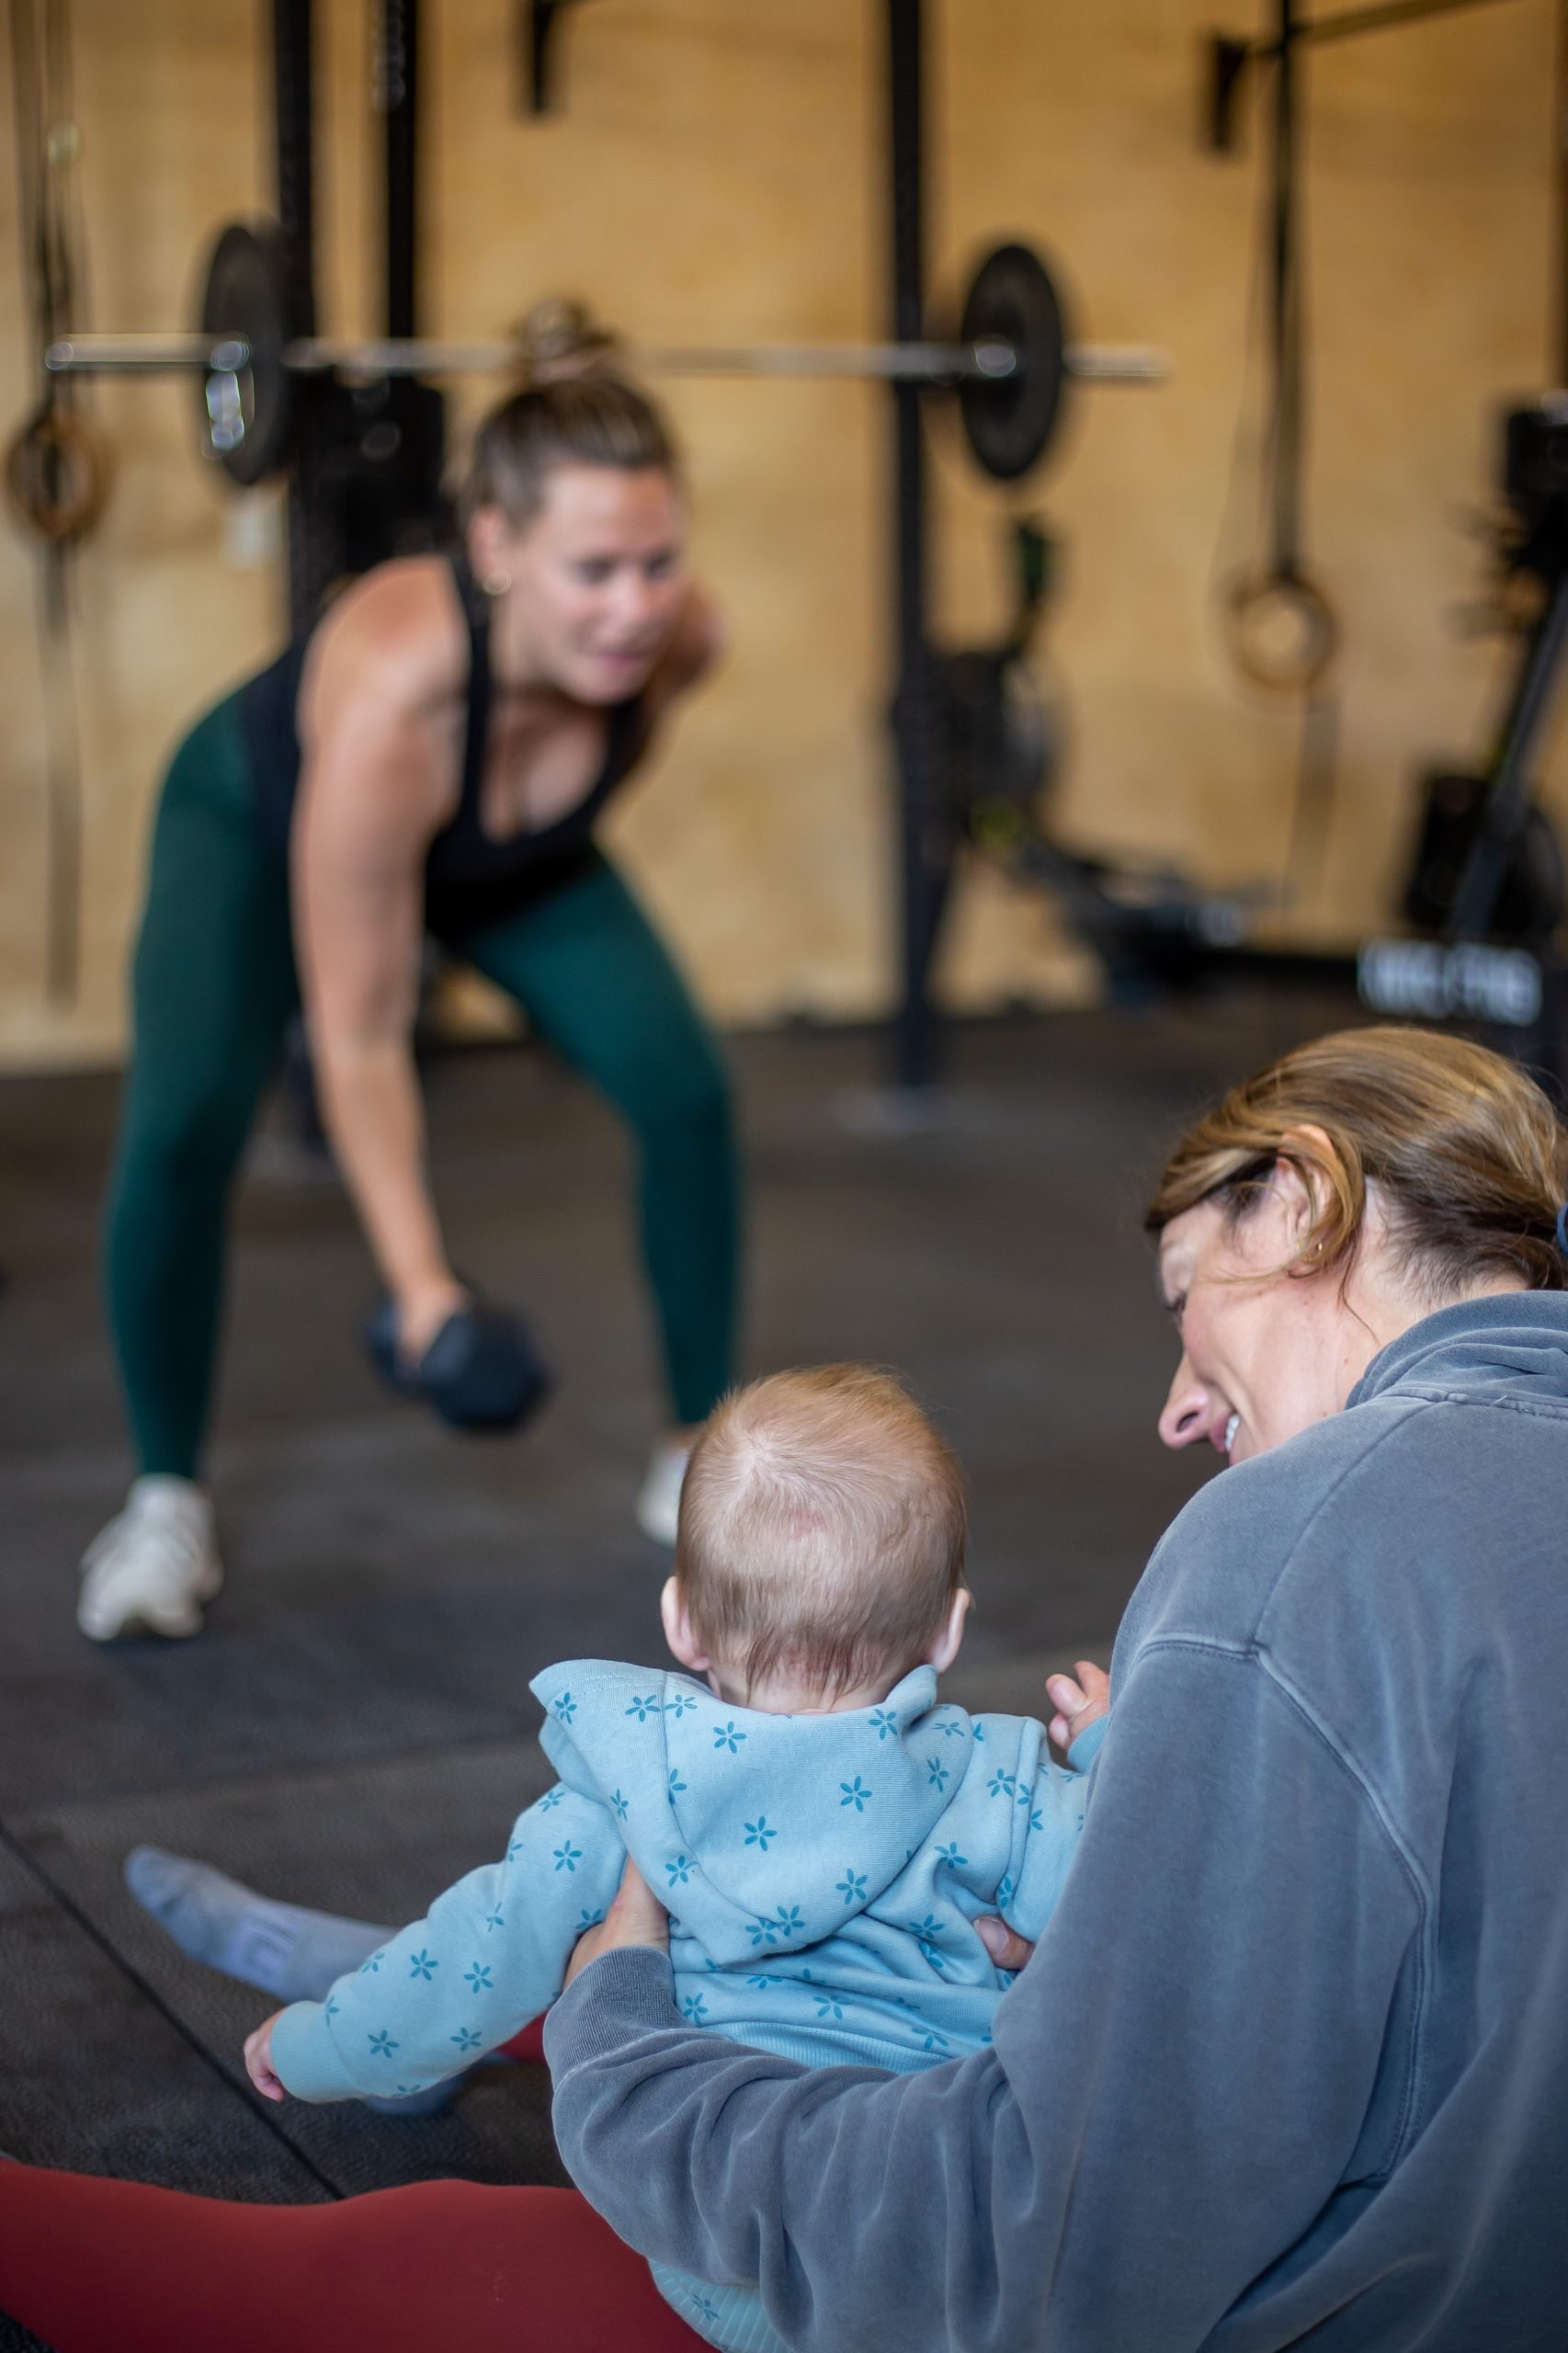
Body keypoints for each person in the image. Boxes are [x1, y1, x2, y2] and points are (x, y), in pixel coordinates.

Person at [4, 1023, 1565, 2352]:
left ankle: (418, 2038)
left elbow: (1050, 2252)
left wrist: (617, 2053)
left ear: (1293, 1195)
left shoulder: (1290, 1550)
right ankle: (450, 1999)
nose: (1171, 1411)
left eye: (1183, 1303)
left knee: (412, 2265)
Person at [127, 1365, 1108, 2353]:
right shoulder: (1004, 1780)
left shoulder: (621, 1801)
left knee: (541, 2015)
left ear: (680, 1620)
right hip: (944, 2259)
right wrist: (1113, 1751)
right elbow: (1152, 1895)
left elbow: (471, 1957)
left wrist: (316, 2047)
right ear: (948, 1628)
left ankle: (347, 2016)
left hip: (717, 2268)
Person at [78, 299, 740, 1642]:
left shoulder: (681, 641)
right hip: (263, 829)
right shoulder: (391, 691)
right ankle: (162, 1504)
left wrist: (501, 861)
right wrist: (425, 1290)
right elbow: (363, 1037)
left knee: (683, 1089)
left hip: (485, 848)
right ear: (494, 547)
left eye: (656, 562)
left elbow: (587, 768)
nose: (632, 609)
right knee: (183, 1124)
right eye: (593, 570)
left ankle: (694, 1455)